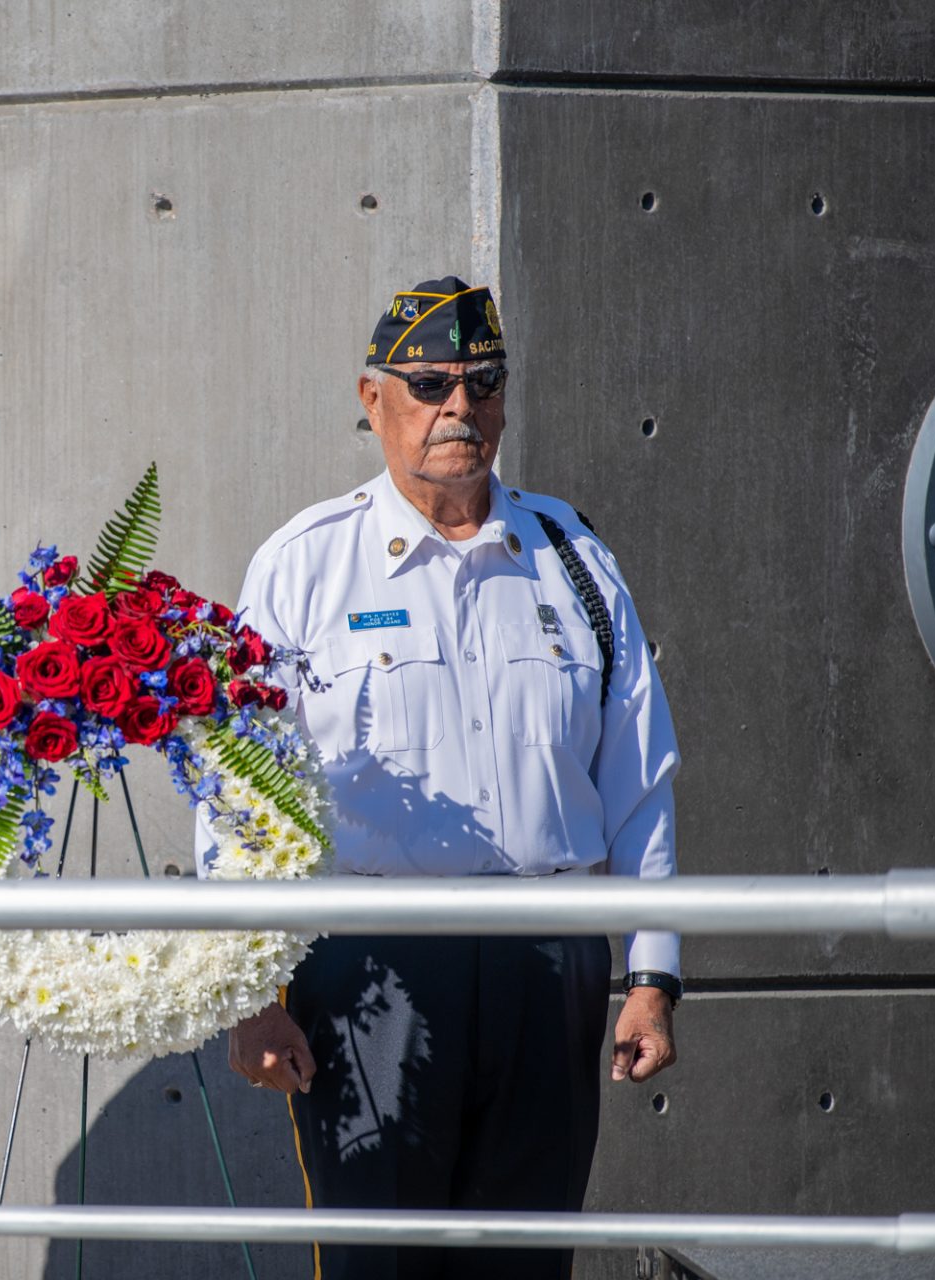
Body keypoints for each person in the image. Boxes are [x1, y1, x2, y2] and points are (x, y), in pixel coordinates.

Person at [212, 279, 681, 1279]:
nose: (458, 409)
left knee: (525, 1263)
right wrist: (249, 991)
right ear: (372, 398)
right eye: (427, 385)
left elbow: (639, 775)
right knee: (382, 1264)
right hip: (373, 968)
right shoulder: (305, 567)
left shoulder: (575, 559)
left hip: (546, 966)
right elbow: (242, 792)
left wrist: (651, 971)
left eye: (482, 383)